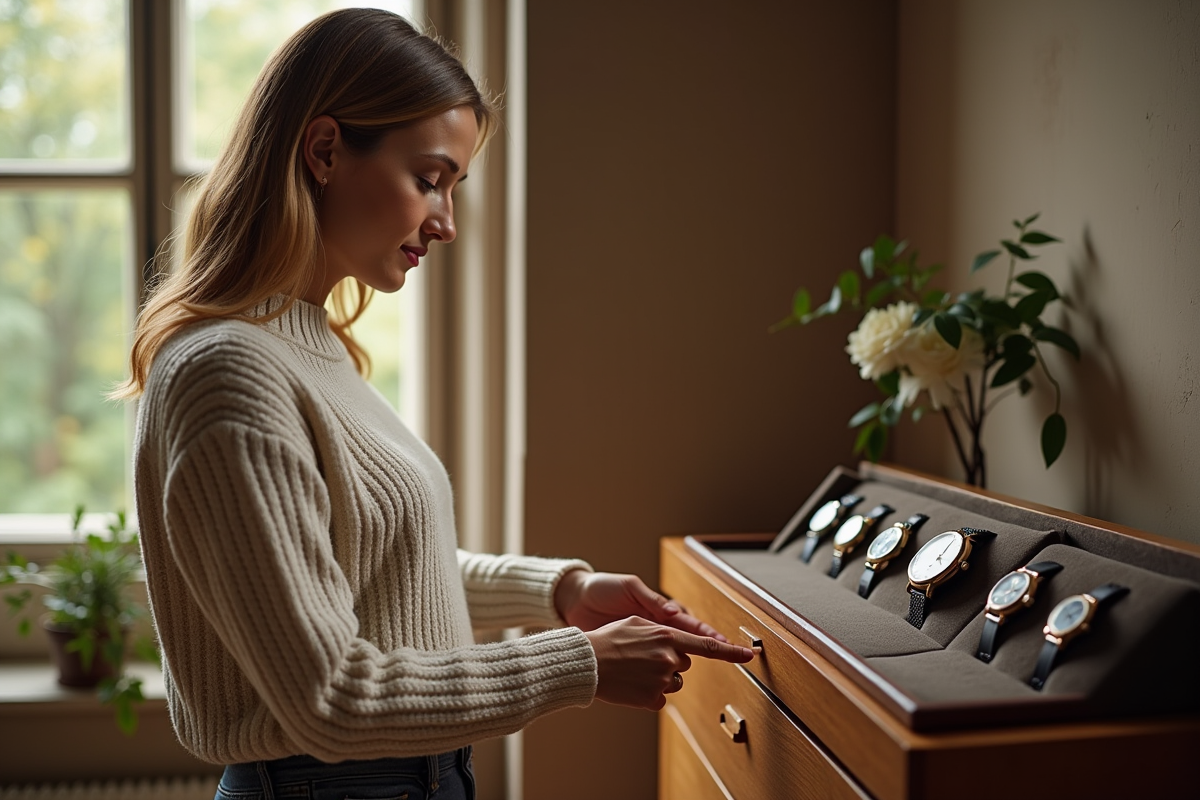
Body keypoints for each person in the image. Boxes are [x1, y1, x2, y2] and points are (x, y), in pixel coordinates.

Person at [117, 8, 753, 799]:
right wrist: (579, 663)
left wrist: (561, 593)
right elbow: (332, 699)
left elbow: (368, 566)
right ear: (323, 151)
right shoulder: (227, 374)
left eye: (452, 187)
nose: (446, 223)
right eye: (429, 179)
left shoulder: (305, 344)